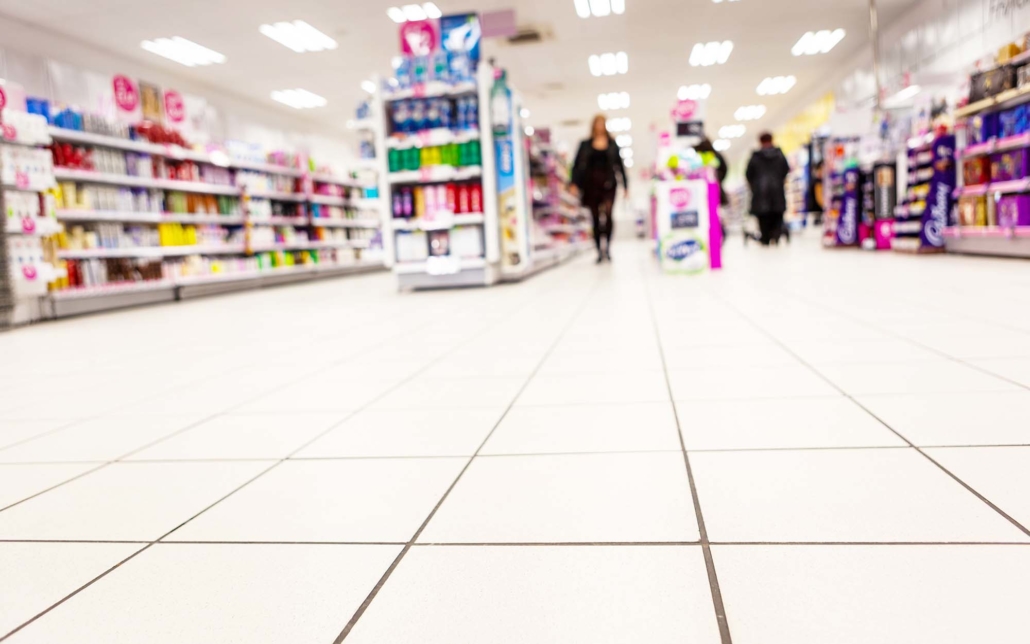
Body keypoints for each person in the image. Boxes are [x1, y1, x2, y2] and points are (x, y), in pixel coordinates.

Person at [570, 114, 628, 263]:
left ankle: (607, 248)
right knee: (595, 218)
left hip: (609, 184)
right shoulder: (585, 144)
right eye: (598, 123)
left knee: (608, 215)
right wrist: (574, 183)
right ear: (593, 125)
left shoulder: (613, 144)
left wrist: (626, 186)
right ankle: (598, 251)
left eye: (602, 123)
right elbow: (576, 166)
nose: (600, 126)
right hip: (590, 185)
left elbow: (620, 166)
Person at [745, 131, 791, 245]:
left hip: (760, 194)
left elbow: (748, 174)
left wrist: (755, 186)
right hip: (777, 193)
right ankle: (776, 237)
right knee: (777, 217)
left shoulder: (755, 157)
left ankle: (765, 239)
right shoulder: (780, 155)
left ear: (760, 141)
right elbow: (785, 171)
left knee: (763, 219)